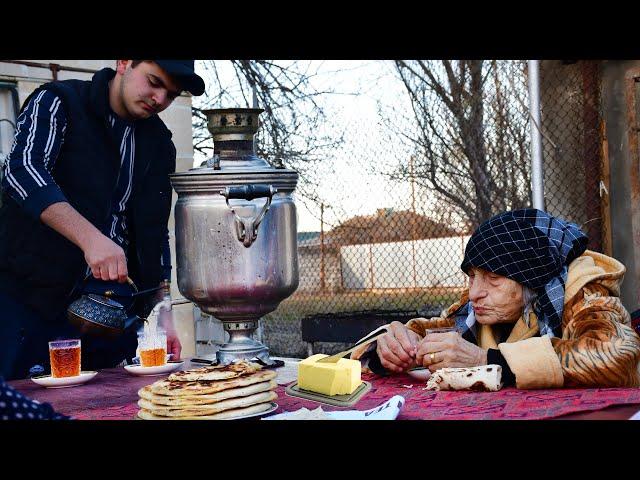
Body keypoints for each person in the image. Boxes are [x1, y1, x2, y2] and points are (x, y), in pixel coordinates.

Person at [0, 60, 206, 380]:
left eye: (171, 94)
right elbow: (22, 172)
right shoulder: (59, 101)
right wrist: (91, 238)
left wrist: (161, 308)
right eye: (153, 81)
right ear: (124, 63)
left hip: (111, 316)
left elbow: (154, 232)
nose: (159, 99)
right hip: (27, 303)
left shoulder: (159, 142)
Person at [352, 209, 640, 389]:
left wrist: (487, 360)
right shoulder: (476, 309)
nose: (475, 292)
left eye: (493, 277)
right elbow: (436, 330)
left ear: (530, 280)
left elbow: (617, 354)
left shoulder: (583, 291)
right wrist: (388, 349)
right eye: (472, 275)